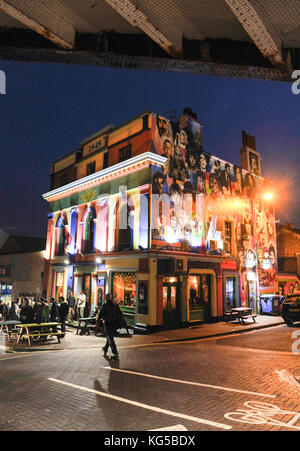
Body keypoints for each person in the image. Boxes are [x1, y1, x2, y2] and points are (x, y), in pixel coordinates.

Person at [98, 293, 122, 360]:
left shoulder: (105, 306)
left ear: (106, 299)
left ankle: (115, 353)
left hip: (108, 323)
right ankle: (105, 349)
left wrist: (99, 321)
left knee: (110, 338)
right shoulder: (115, 305)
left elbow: (101, 314)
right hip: (114, 324)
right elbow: (120, 313)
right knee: (110, 337)